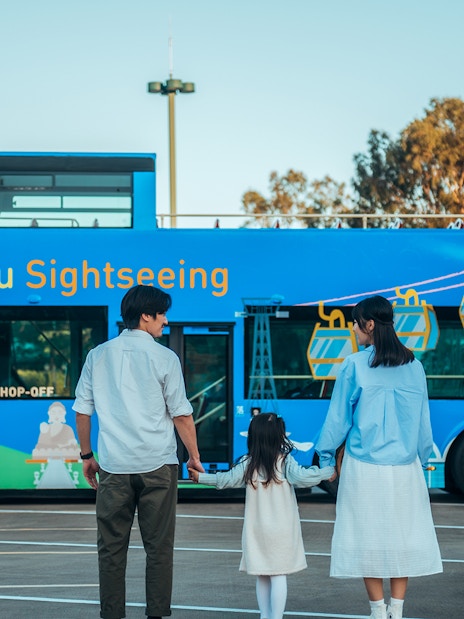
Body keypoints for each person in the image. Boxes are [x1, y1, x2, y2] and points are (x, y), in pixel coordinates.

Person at [73, 284, 204, 619]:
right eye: (162, 314)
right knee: (158, 548)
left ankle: (112, 615)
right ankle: (156, 615)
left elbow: (82, 411)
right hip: (158, 466)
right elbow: (181, 414)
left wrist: (88, 457)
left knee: (111, 549)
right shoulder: (165, 358)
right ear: (146, 316)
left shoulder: (97, 355)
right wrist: (193, 456)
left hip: (114, 468)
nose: (166, 321)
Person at [315, 295, 443, 619]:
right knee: (403, 538)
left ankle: (377, 611)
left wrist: (327, 457)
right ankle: (397, 611)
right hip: (405, 469)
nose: (354, 329)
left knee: (366, 539)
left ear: (369, 324)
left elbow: (338, 419)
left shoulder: (354, 365)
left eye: (356, 323)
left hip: (363, 468)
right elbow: (423, 422)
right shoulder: (415, 367)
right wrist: (423, 456)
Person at [189, 412, 335, 619]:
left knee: (262, 573)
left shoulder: (248, 463)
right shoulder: (285, 462)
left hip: (257, 529)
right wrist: (327, 471)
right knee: (278, 574)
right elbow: (304, 477)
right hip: (282, 528)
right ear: (279, 437)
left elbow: (225, 480)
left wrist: (201, 477)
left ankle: (264, 616)